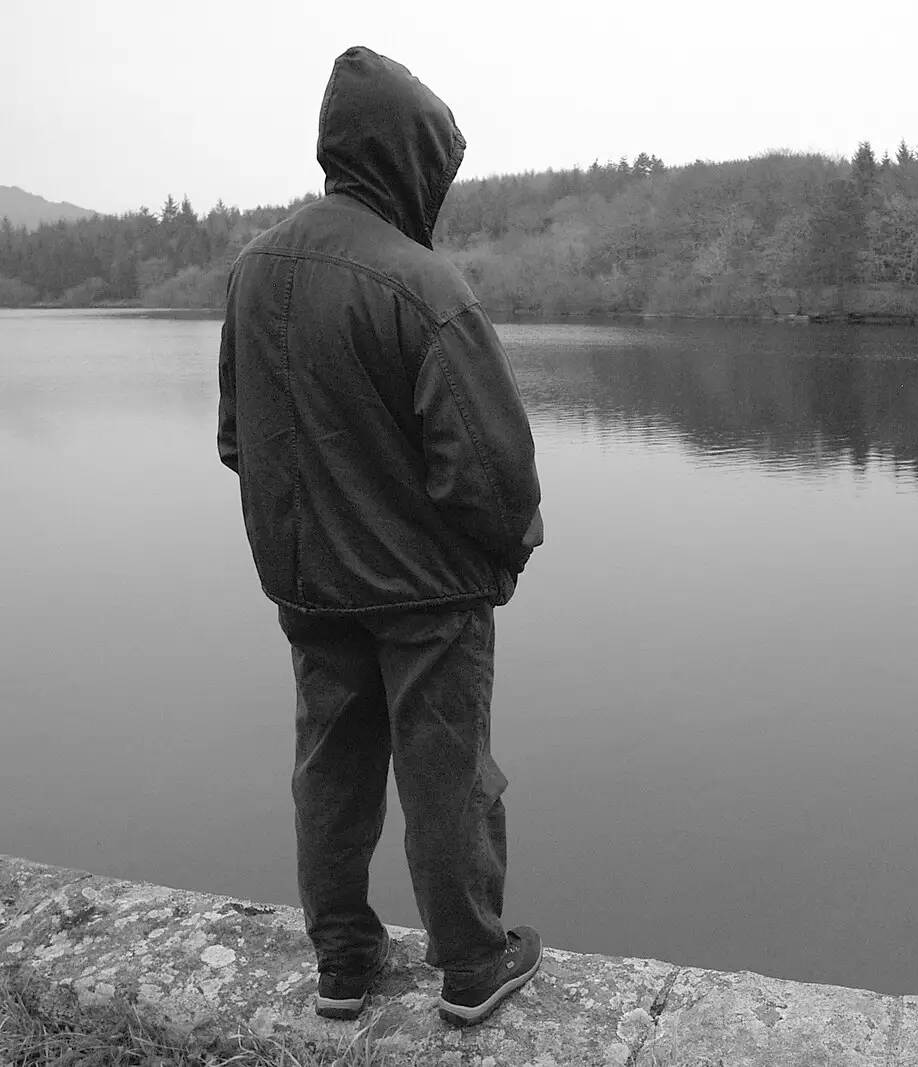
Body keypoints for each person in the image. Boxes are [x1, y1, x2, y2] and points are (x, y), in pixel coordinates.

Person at [217, 45, 544, 1028]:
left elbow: (240, 441)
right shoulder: (421, 285)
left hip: (308, 582)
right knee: (446, 768)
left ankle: (346, 963)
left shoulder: (253, 271)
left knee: (333, 763)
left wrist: (312, 535)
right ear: (409, 160)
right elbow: (491, 472)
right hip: (424, 593)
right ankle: (474, 963)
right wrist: (500, 557)